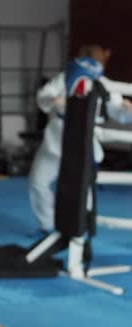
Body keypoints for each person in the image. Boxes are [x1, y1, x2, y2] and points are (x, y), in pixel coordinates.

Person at [29, 44, 132, 233]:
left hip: (84, 139)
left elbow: (118, 114)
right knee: (38, 182)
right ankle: (47, 225)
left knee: (83, 187)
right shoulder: (65, 77)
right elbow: (43, 97)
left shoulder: (105, 85)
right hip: (57, 135)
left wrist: (127, 109)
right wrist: (54, 102)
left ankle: (83, 228)